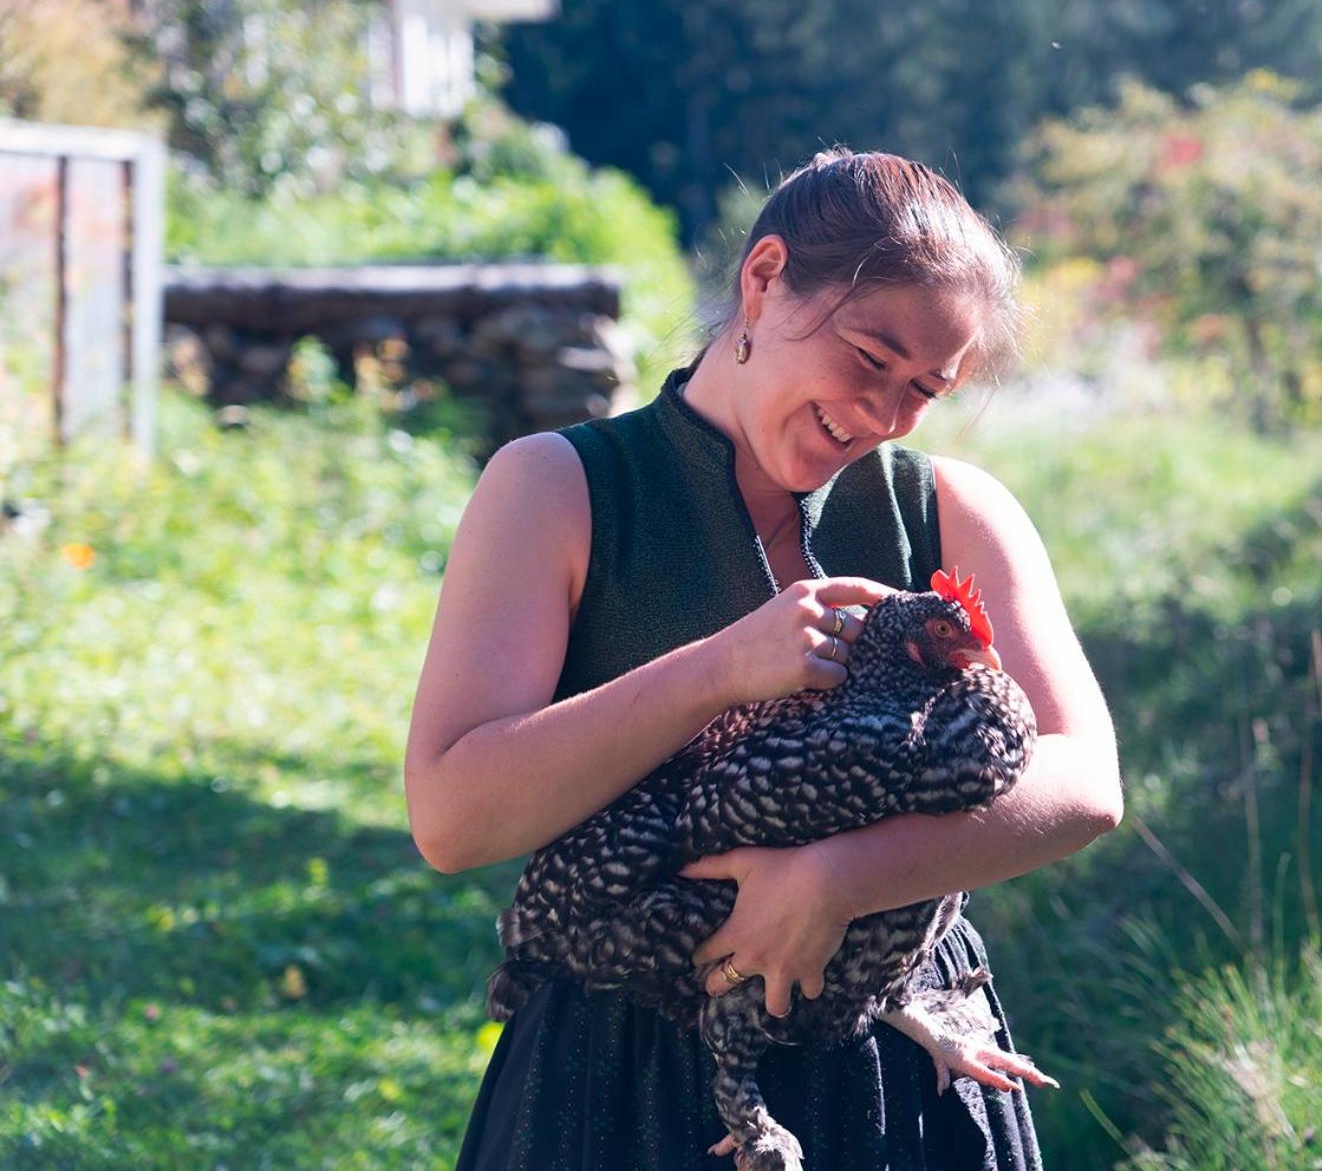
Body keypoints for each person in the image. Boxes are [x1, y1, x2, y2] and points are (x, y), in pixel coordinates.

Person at [404, 147, 1123, 1170]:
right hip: (620, 1070)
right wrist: (718, 667)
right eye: (869, 359)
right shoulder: (558, 489)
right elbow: (451, 815)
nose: (882, 414)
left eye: (923, 387)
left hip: (896, 1059)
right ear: (762, 277)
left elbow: (1085, 780)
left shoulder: (950, 511)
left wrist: (837, 878)